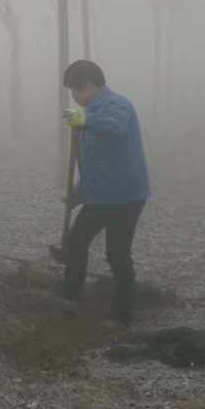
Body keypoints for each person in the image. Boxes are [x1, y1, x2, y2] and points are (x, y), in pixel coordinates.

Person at [61, 61, 149, 324]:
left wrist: (86, 119)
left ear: (92, 84)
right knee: (76, 243)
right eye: (72, 92)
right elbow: (92, 161)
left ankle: (122, 313)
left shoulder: (117, 105)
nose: (75, 97)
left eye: (77, 90)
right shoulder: (88, 113)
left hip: (125, 196)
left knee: (117, 252)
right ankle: (69, 298)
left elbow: (115, 127)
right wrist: (78, 193)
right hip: (102, 195)